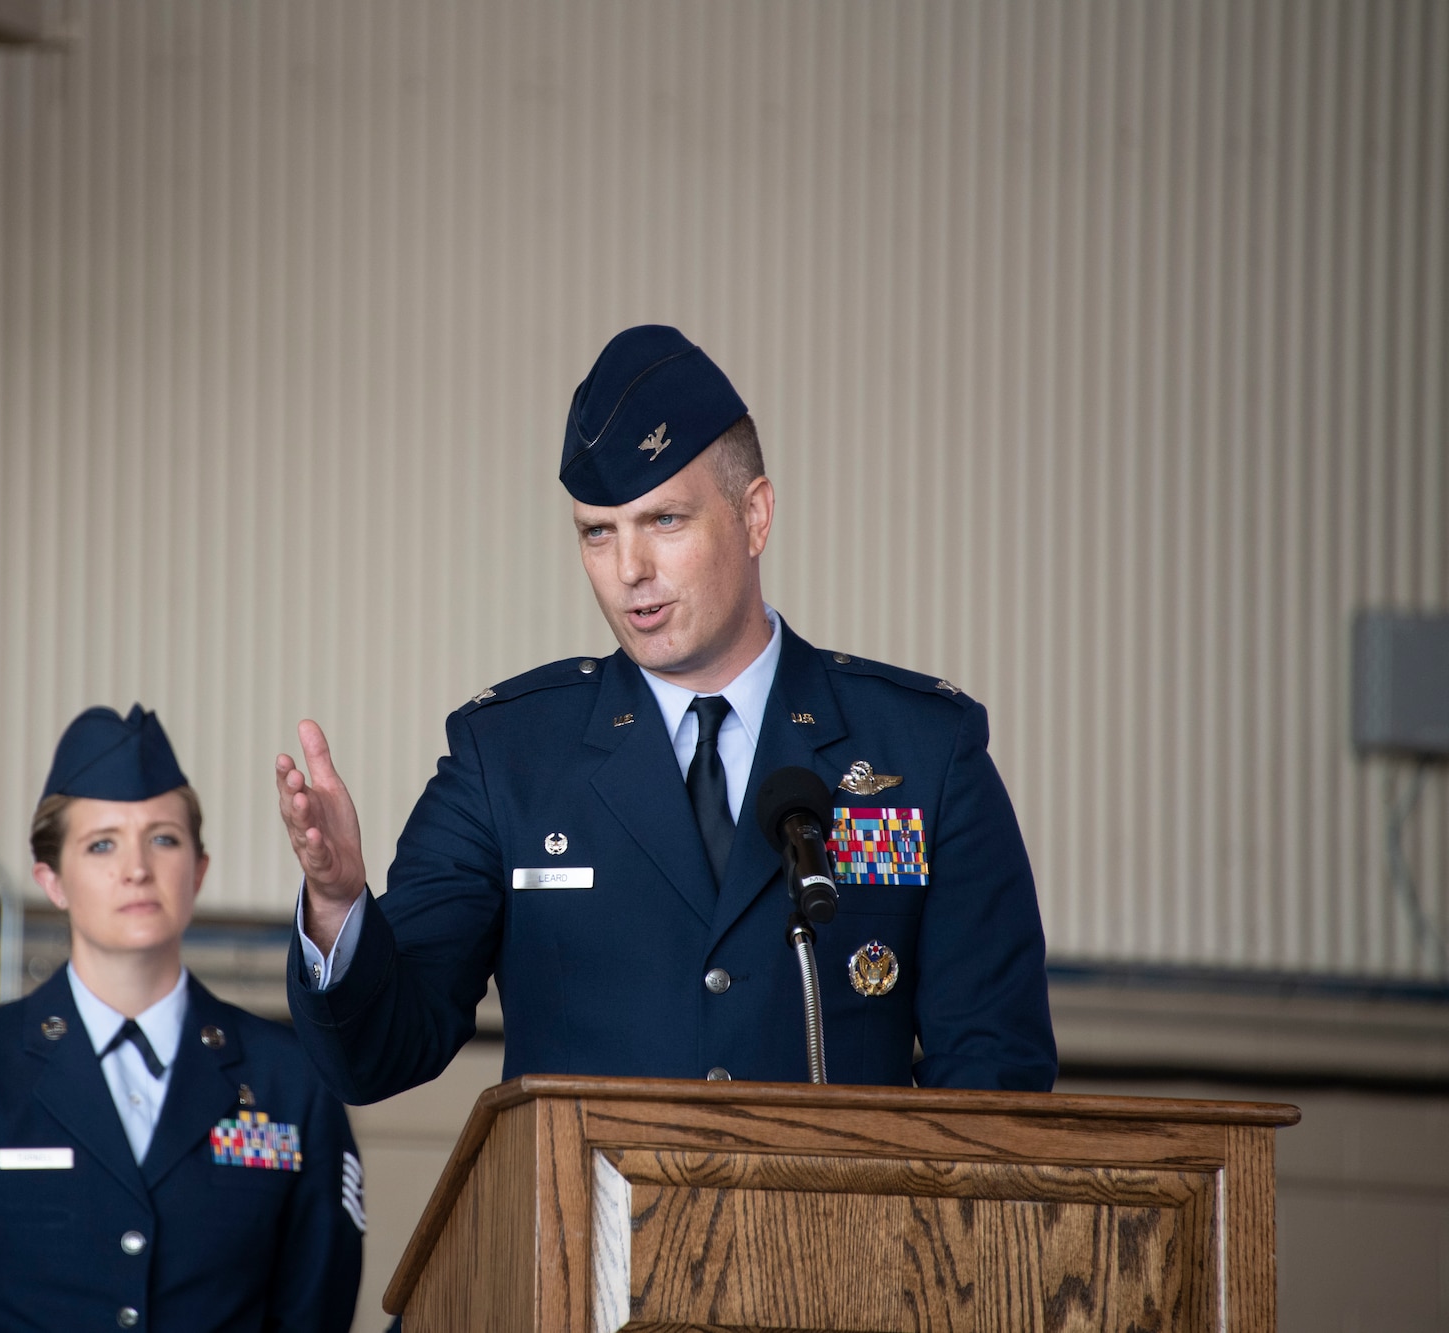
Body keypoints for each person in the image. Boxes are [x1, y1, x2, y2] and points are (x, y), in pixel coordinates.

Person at [277, 325, 1057, 1103]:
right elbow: (377, 1055)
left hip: (829, 1226)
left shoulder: (924, 750)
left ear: (755, 516)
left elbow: (996, 1074)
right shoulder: (508, 758)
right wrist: (340, 906)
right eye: (597, 533)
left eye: (665, 521)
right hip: (591, 1225)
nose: (630, 572)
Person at [0, 705, 364, 1332]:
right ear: (52, 880)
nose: (137, 868)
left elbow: (316, 1313)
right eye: (101, 844)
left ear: (199, 870)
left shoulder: (291, 1082)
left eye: (164, 838)